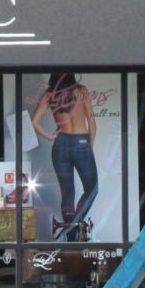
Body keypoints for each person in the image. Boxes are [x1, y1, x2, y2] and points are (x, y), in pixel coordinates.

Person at [31, 72, 98, 240]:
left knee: (67, 195)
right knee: (92, 189)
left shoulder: (49, 95)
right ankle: (76, 224)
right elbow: (91, 121)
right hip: (81, 141)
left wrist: (50, 137)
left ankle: (71, 236)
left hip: (60, 144)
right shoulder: (81, 90)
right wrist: (89, 146)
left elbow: (34, 122)